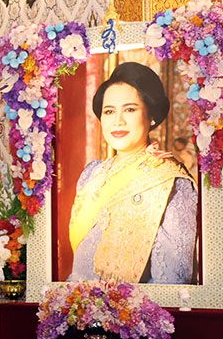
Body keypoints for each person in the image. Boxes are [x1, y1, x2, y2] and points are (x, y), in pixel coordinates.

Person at [68, 62, 198, 284]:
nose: (118, 121)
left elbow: (172, 282)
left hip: (134, 313)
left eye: (130, 109)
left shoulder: (170, 181)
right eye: (109, 111)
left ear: (152, 116)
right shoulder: (92, 174)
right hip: (76, 309)